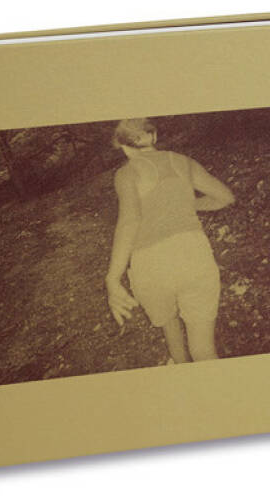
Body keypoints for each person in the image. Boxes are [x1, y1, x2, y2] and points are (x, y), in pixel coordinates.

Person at [106, 118, 235, 363]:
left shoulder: (127, 173)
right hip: (193, 254)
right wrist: (185, 206)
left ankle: (180, 365)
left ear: (123, 147)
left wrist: (112, 278)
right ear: (153, 136)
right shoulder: (183, 162)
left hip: (152, 263)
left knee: (169, 322)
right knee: (204, 351)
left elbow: (130, 221)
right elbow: (225, 197)